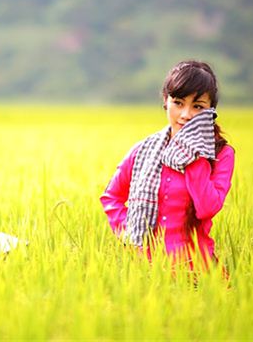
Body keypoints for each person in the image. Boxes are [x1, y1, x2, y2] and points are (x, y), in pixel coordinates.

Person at [100, 60, 235, 269]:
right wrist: (130, 231)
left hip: (196, 268)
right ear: (166, 101)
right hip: (144, 268)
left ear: (211, 111)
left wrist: (194, 155)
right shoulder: (143, 150)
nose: (186, 115)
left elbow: (207, 208)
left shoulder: (220, 155)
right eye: (178, 103)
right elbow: (111, 197)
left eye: (198, 106)